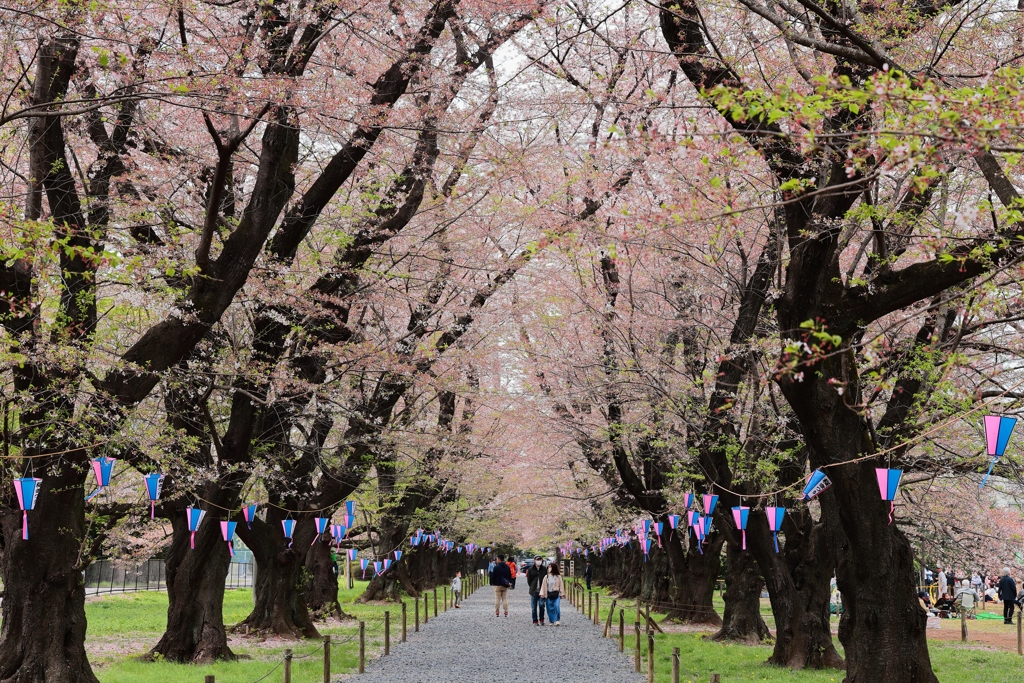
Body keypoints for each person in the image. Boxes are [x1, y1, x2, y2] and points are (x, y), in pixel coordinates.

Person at [539, 560, 564, 626]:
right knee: (549, 608)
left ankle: (557, 620)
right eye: (549, 567)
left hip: (556, 594)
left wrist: (562, 594)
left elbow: (561, 585)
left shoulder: (558, 577)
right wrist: (542, 594)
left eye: (550, 567)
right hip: (548, 594)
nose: (549, 568)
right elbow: (543, 586)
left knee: (556, 606)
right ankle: (551, 621)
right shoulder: (546, 577)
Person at [526, 557, 547, 625]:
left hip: (542, 590)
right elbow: (529, 580)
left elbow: (546, 578)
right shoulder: (531, 569)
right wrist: (532, 587)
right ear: (534, 561)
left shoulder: (544, 569)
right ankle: (535, 620)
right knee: (533, 607)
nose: (539, 561)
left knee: (541, 605)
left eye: (540, 560)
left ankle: (542, 619)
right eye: (537, 560)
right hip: (534, 591)